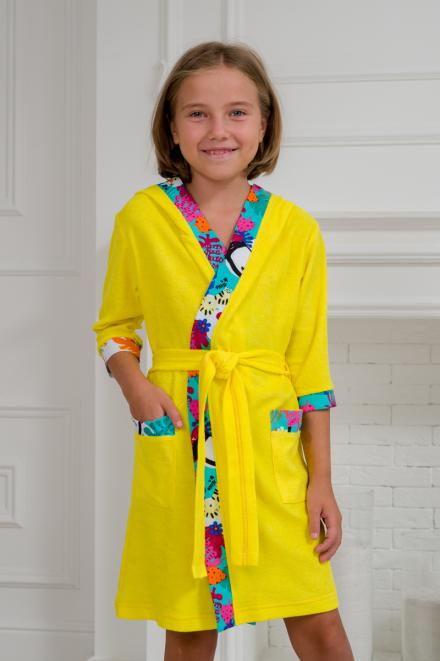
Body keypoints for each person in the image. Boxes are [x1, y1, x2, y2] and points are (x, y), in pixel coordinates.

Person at [92, 41, 354, 661]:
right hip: (183, 437)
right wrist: (136, 387)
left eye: (237, 113)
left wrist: (321, 480)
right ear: (171, 128)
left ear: (264, 125)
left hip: (268, 445)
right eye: (197, 114)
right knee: (189, 627)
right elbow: (115, 328)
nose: (218, 130)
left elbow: (309, 366)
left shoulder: (295, 230)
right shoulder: (141, 219)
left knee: (317, 620)